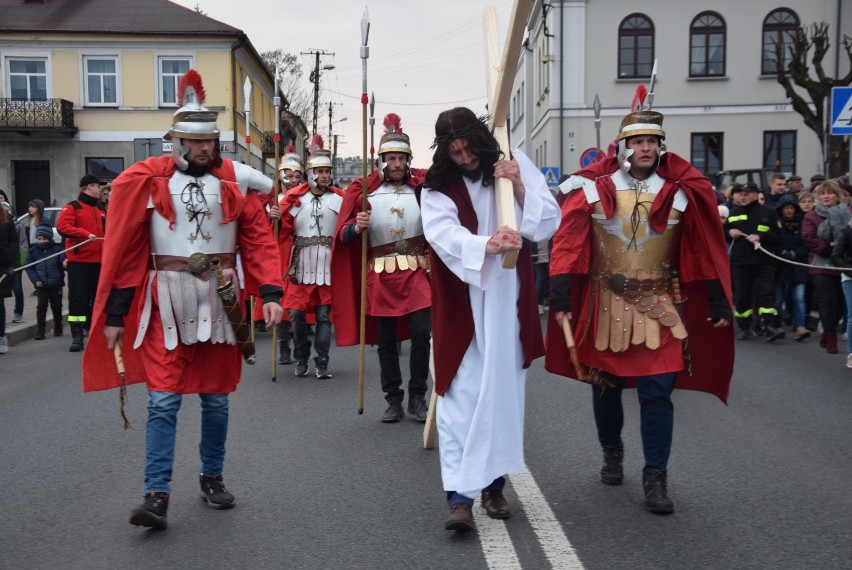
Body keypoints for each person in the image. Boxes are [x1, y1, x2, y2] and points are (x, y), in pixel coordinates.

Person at [81, 69, 284, 530]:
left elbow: (257, 242)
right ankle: (156, 494)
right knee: (163, 401)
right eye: (194, 143)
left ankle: (212, 477)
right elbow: (129, 252)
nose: (204, 149)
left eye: (209, 141)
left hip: (222, 298)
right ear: (175, 143)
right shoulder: (149, 183)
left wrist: (271, 292)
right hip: (165, 300)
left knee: (215, 400)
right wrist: (115, 313)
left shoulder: (234, 185)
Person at [546, 89, 733, 515]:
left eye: (652, 141)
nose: (645, 147)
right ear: (623, 146)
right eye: (637, 141)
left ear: (659, 146)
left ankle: (655, 475)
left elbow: (703, 249)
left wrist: (719, 299)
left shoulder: (680, 191)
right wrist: (559, 292)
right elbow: (570, 242)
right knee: (607, 388)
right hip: (604, 303)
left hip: (661, 304)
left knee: (657, 390)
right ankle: (612, 451)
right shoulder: (593, 189)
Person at [420, 107, 560, 531]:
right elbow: (442, 234)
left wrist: (517, 184)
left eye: (468, 148)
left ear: (481, 140)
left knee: (500, 396)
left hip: (507, 297)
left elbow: (548, 220)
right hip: (464, 298)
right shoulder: (437, 186)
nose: (464, 158)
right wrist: (487, 244)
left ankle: (494, 487)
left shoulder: (512, 161)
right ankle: (459, 498)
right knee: (459, 398)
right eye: (455, 152)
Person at [332, 113, 431, 423]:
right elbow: (344, 236)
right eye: (391, 158)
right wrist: (356, 227)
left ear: (408, 159)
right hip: (381, 272)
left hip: (417, 268)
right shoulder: (365, 193)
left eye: (401, 157)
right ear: (382, 161)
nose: (397, 163)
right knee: (386, 341)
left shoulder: (424, 190)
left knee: (421, 332)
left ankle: (418, 396)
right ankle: (393, 398)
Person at [279, 134, 344, 378]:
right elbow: (282, 231)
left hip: (327, 263)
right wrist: (276, 219)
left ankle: (323, 361)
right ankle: (302, 355)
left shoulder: (339, 199)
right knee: (295, 312)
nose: (325, 175)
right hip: (301, 264)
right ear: (310, 173)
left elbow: (348, 227)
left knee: (323, 316)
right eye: (320, 171)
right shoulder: (295, 199)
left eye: (327, 171)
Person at [724, 182, 784, 341]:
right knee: (742, 295)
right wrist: (730, 232)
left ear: (756, 194)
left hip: (764, 261)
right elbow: (723, 234)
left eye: (747, 194)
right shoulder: (734, 213)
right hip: (741, 262)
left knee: (766, 294)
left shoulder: (769, 212)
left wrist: (760, 237)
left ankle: (769, 325)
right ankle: (744, 326)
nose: (743, 197)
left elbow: (778, 235)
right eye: (740, 194)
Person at [56, 174, 106, 352]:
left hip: (99, 262)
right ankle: (77, 335)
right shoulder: (73, 207)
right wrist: (85, 234)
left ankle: (94, 331)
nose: (100, 189)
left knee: (98, 299)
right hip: (79, 262)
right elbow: (63, 227)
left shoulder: (100, 209)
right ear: (89, 187)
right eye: (97, 186)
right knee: (78, 300)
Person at [267, 146, 304, 365]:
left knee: (297, 302)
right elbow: (267, 232)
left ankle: (301, 346)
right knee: (280, 300)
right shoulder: (273, 200)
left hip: (301, 252)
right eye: (289, 176)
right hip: (279, 253)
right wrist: (273, 218)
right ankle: (283, 345)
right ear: (280, 176)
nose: (293, 179)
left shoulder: (305, 198)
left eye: (296, 176)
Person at [802, 180, 848, 354]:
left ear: (838, 195)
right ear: (817, 197)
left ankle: (830, 328)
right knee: (827, 300)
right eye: (822, 194)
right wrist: (830, 250)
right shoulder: (811, 216)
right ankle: (830, 336)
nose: (826, 196)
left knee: (840, 303)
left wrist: (841, 253)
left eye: (830, 193)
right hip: (821, 263)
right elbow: (809, 238)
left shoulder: (848, 213)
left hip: (843, 263)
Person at [773, 195, 810, 341]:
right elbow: (771, 241)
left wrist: (795, 253)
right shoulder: (776, 224)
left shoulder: (802, 223)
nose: (789, 211)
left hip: (797, 266)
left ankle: (801, 327)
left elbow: (807, 242)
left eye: (791, 208)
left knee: (799, 298)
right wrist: (781, 252)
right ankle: (777, 326)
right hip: (780, 266)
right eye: (786, 208)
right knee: (778, 299)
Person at [25, 222, 65, 339]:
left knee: (56, 306)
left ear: (50, 238)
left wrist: (65, 262)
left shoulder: (57, 249)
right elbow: (30, 267)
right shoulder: (33, 251)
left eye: (44, 239)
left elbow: (63, 260)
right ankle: (40, 331)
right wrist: (35, 280)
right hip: (41, 284)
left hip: (55, 283)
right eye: (39, 239)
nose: (41, 241)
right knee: (41, 307)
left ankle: (58, 326)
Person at [0, 201, 18, 354]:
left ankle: (0, 336)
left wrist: (9, 258)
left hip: (2, 265)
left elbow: (14, 240)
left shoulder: (5, 217)